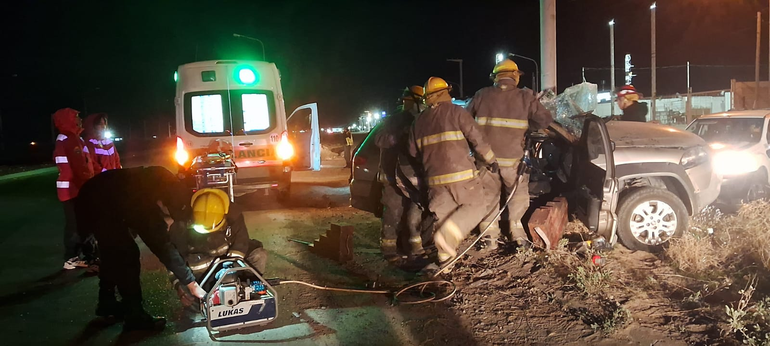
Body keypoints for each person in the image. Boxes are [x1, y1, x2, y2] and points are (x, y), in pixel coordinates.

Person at [75, 166, 206, 331]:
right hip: (96, 206)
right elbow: (162, 246)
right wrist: (190, 282)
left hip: (92, 197)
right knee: (126, 255)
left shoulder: (147, 182)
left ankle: (107, 304)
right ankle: (135, 317)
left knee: (112, 254)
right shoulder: (142, 200)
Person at [409, 77, 498, 268]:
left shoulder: (418, 122)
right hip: (461, 176)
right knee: (477, 206)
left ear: (427, 98)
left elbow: (412, 152)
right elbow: (477, 138)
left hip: (433, 181)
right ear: (446, 92)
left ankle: (446, 263)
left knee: (443, 216)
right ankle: (446, 238)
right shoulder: (457, 112)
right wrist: (491, 160)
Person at [468, 59, 554, 249]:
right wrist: (528, 128)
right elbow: (545, 119)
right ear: (515, 76)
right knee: (517, 196)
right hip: (513, 161)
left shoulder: (482, 95)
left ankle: (489, 237)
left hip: (485, 160)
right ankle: (516, 232)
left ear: (495, 77)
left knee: (488, 196)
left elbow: (466, 122)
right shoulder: (525, 97)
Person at [170, 188, 268, 307]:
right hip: (203, 265)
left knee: (258, 255)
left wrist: (230, 271)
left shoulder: (234, 215)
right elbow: (173, 260)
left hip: (227, 256)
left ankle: (249, 289)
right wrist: (180, 286)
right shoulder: (180, 227)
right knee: (191, 286)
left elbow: (241, 243)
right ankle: (207, 296)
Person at [374, 86, 427, 264]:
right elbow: (379, 139)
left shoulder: (422, 120)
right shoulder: (393, 121)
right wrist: (398, 136)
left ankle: (415, 248)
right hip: (392, 178)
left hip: (414, 178)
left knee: (414, 213)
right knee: (393, 212)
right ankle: (389, 250)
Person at [53, 108, 95, 270]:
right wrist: (88, 185)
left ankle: (76, 256)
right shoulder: (70, 139)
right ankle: (71, 257)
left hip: (73, 189)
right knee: (75, 225)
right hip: (74, 189)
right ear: (68, 120)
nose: (79, 119)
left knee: (77, 224)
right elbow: (80, 167)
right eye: (76, 117)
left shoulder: (72, 138)